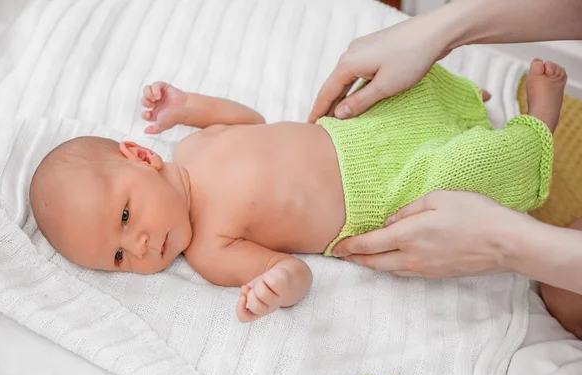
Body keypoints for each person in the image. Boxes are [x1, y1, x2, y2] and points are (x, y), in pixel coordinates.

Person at [29, 56, 564, 324]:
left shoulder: (193, 148)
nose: (141, 245)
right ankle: (537, 120)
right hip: (379, 196)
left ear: (143, 157)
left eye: (126, 218)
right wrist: (277, 286)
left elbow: (251, 120)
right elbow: (292, 272)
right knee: (472, 173)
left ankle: (459, 105)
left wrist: (186, 106)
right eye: (119, 257)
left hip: (355, 133)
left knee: (394, 85)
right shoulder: (211, 251)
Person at [308, 0, 582, 337]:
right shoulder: (220, 241)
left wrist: (508, 243)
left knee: (565, 295)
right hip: (379, 194)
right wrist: (441, 29)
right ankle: (481, 114)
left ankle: (529, 125)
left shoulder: (220, 128)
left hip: (362, 152)